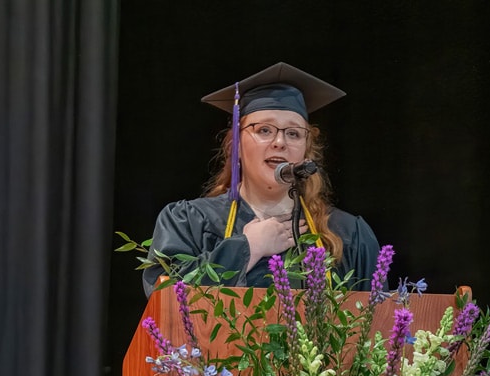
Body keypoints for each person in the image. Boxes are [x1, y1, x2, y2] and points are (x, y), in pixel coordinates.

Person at [142, 62, 381, 297]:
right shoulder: (189, 223)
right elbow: (166, 300)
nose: (280, 142)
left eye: (293, 133)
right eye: (264, 130)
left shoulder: (347, 233)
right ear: (234, 144)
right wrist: (247, 248)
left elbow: (377, 322)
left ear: (306, 152)